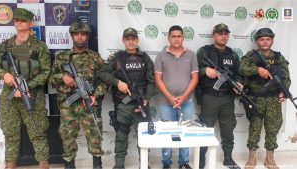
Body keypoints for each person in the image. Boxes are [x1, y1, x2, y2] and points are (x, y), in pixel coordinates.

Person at [0, 8, 50, 169]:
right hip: (10, 96)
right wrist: (4, 75)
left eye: (23, 20)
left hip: (32, 95)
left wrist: (29, 86)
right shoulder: (5, 46)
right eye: (17, 20)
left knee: (37, 131)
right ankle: (10, 164)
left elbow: (46, 71)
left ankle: (43, 164)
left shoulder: (39, 47)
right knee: (10, 133)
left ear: (30, 23)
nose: (19, 23)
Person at [49, 22, 106, 169]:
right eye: (76, 34)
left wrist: (95, 95)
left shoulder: (95, 57)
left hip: (89, 104)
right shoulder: (62, 57)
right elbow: (50, 79)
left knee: (95, 137)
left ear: (87, 37)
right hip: (68, 105)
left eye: (83, 34)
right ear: (72, 36)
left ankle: (97, 165)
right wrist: (63, 77)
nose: (80, 37)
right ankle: (69, 165)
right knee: (67, 138)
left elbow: (106, 81)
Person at [98, 27, 156, 169]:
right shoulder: (117, 58)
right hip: (122, 105)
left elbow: (151, 81)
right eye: (128, 39)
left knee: (143, 138)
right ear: (123, 40)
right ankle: (119, 165)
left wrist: (146, 98)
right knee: (121, 137)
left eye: (133, 38)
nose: (131, 41)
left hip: (141, 104)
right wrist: (118, 83)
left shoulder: (145, 58)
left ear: (137, 40)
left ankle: (144, 165)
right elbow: (102, 73)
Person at [239, 28, 291, 169]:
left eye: (268, 39)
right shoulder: (251, 56)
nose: (265, 42)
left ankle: (270, 159)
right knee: (254, 128)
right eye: (262, 39)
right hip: (255, 99)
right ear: (257, 41)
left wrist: (283, 93)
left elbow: (286, 78)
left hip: (274, 99)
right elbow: (242, 69)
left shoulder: (279, 57)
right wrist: (258, 70)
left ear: (272, 40)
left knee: (272, 129)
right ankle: (252, 159)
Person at [196, 23, 241, 169]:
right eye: (220, 33)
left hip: (227, 98)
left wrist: (239, 84)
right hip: (209, 97)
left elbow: (240, 74)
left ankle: (228, 158)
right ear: (214, 35)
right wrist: (204, 70)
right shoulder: (204, 52)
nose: (223, 36)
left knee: (228, 128)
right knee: (205, 130)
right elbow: (193, 69)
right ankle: (201, 160)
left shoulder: (233, 54)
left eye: (226, 33)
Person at [154, 25, 198, 169]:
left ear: (183, 38)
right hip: (166, 102)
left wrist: (184, 97)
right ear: (169, 38)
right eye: (173, 36)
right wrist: (170, 98)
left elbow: (195, 78)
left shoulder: (191, 54)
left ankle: (183, 163)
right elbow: (158, 79)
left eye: (179, 36)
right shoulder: (161, 55)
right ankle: (166, 164)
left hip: (187, 102)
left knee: (184, 133)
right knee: (167, 134)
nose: (176, 39)